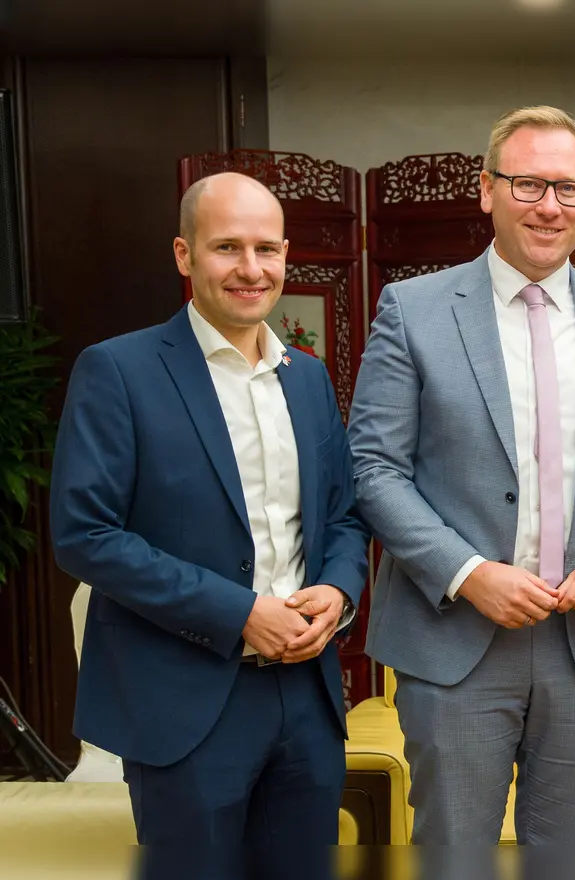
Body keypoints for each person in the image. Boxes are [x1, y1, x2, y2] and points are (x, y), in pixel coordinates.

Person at [347, 105, 575, 844]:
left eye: (569, 188)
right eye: (528, 185)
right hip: (454, 638)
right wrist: (468, 572)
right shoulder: (413, 309)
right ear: (486, 189)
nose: (549, 206)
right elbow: (373, 468)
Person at [50, 171, 368, 844]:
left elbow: (341, 516)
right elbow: (86, 536)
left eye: (267, 249)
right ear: (184, 255)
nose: (251, 269)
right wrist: (240, 612)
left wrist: (337, 592)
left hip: (307, 696)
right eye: (227, 247)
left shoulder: (307, 377)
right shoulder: (119, 370)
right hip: (183, 700)